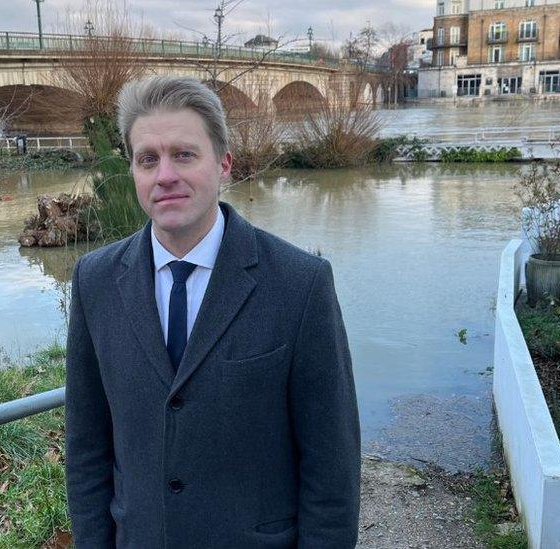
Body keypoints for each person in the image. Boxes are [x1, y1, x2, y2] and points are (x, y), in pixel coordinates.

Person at [64, 76, 361, 548]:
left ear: (223, 164)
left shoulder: (299, 284)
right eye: (148, 159)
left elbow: (332, 466)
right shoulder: (94, 281)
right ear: (134, 171)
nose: (165, 175)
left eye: (184, 154)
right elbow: (86, 449)